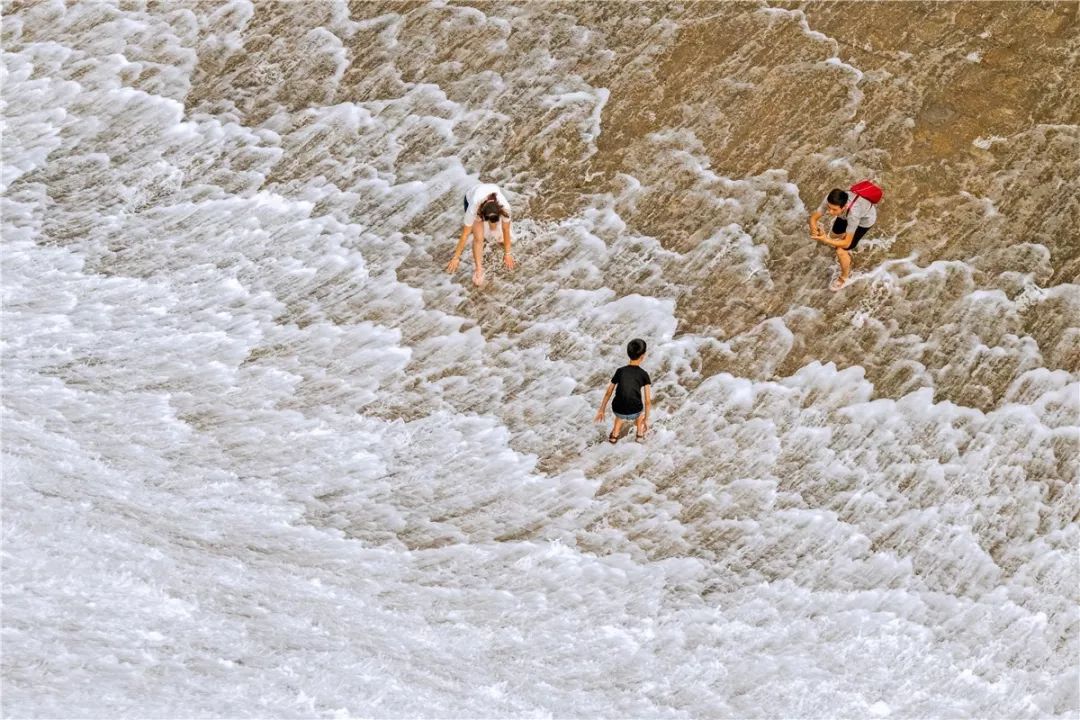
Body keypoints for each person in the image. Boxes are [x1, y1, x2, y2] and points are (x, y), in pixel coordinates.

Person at [446, 183, 515, 286]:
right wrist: (456, 258)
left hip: (490, 198)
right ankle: (479, 268)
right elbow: (465, 235)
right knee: (479, 238)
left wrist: (507, 254)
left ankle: (494, 230)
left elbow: (506, 229)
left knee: (494, 225)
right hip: (471, 197)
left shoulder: (505, 208)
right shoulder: (473, 208)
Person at [809, 187, 877, 291]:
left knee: (840, 250)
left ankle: (844, 277)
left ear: (844, 206)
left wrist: (825, 240)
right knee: (834, 235)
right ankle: (846, 235)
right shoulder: (830, 199)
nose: (830, 212)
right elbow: (813, 218)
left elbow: (846, 243)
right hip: (844, 215)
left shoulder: (854, 214)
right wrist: (814, 229)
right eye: (829, 207)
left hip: (864, 221)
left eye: (834, 209)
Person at [594, 338, 652, 444]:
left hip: (618, 410)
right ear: (643, 356)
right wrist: (646, 420)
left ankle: (614, 435)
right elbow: (648, 401)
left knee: (621, 410)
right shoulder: (644, 374)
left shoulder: (620, 371)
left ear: (628, 353)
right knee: (640, 415)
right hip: (635, 412)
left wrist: (601, 410)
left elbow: (608, 392)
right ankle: (639, 434)